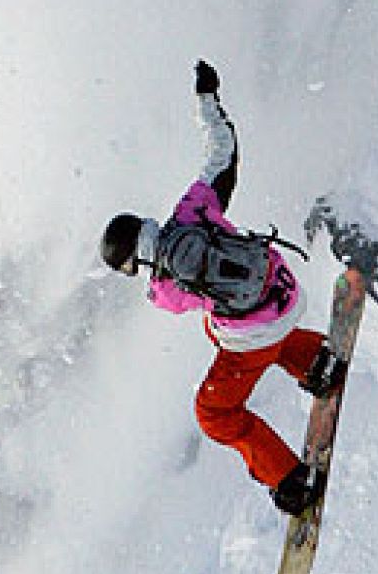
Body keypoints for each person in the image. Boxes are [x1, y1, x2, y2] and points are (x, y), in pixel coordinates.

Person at [99, 60, 343, 516]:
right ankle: (316, 362)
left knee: (214, 414)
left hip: (258, 332)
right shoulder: (191, 211)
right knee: (226, 328)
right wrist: (207, 100)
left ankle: (290, 479)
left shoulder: (162, 291)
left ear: (134, 260)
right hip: (286, 287)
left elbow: (184, 300)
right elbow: (223, 152)